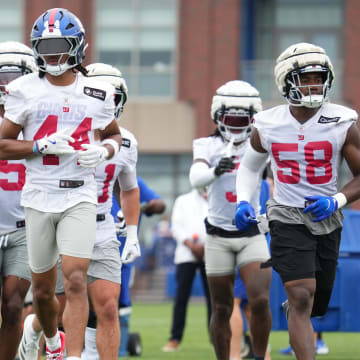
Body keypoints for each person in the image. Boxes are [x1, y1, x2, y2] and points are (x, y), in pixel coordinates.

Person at [0, 8, 122, 360]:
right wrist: (37, 145)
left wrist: (104, 149)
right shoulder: (23, 89)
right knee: (41, 292)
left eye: (59, 45)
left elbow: (115, 136)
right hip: (38, 196)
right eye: (45, 46)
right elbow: (3, 143)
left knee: (75, 278)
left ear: (77, 46)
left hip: (79, 195)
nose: (52, 54)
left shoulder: (97, 91)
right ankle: (50, 338)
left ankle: (72, 355)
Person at [234, 42, 360, 360]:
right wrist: (243, 201)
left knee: (315, 301)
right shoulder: (269, 123)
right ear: (286, 81)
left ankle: (297, 304)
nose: (314, 84)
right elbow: (250, 166)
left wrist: (338, 200)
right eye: (307, 78)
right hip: (286, 213)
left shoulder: (343, 121)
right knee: (302, 292)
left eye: (319, 77)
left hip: (327, 218)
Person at [189, 80, 272, 360]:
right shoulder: (206, 145)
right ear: (217, 116)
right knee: (222, 307)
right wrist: (214, 171)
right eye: (230, 118)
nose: (236, 125)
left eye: (242, 119)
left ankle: (260, 356)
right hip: (218, 237)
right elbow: (195, 178)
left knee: (260, 301)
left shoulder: (260, 145)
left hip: (251, 234)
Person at [80, 62, 140, 360]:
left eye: (114, 97)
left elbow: (129, 188)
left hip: (103, 228)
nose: (109, 103)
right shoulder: (64, 129)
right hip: (62, 225)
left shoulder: (126, 140)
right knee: (55, 308)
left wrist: (132, 233)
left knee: (106, 305)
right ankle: (35, 331)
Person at [0, 41, 37, 360]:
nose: (7, 84)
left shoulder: (39, 118)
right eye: (3, 76)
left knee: (13, 306)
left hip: (24, 227)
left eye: (15, 76)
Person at [114, 177, 166, 357]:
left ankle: (119, 350)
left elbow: (159, 204)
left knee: (122, 303)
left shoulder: (132, 181)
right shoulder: (95, 177)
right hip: (94, 255)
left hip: (124, 259)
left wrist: (148, 206)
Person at [162, 187, 211, 352]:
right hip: (185, 253)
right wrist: (191, 245)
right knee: (181, 298)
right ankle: (175, 339)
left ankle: (216, 339)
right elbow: (176, 227)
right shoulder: (183, 200)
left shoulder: (215, 197)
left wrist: (206, 245)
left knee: (214, 299)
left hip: (210, 252)